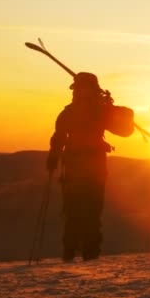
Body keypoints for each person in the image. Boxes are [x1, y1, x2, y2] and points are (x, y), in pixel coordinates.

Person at [46, 72, 115, 262]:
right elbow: (59, 137)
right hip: (83, 166)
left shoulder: (92, 110)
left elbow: (59, 137)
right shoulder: (94, 110)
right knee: (77, 211)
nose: (77, 91)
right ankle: (78, 253)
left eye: (79, 87)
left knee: (86, 211)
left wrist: (109, 106)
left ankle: (84, 254)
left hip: (87, 167)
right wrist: (53, 156)